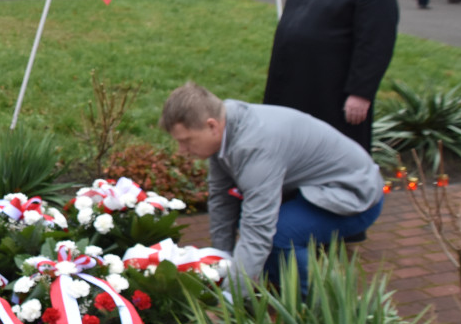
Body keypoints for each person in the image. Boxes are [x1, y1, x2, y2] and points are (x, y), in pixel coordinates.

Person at [160, 82, 385, 296]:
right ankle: (276, 287)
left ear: (211, 126)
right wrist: (221, 263)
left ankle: (316, 305)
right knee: (256, 238)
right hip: (315, 188)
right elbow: (221, 200)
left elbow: (259, 230)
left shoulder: (256, 147)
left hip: (355, 196)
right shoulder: (224, 126)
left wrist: (227, 302)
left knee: (278, 233)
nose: (181, 151)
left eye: (187, 141)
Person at [263, 0, 399, 153]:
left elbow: (375, 45)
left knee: (329, 158)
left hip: (331, 94)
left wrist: (361, 93)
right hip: (292, 86)